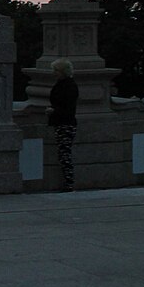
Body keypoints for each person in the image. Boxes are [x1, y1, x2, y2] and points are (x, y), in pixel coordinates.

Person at [48, 58, 79, 190]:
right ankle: (68, 182)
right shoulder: (65, 84)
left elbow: (68, 108)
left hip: (65, 123)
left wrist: (53, 111)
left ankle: (69, 182)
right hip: (63, 122)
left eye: (56, 70)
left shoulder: (68, 86)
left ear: (63, 71)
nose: (54, 73)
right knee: (64, 152)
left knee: (64, 153)